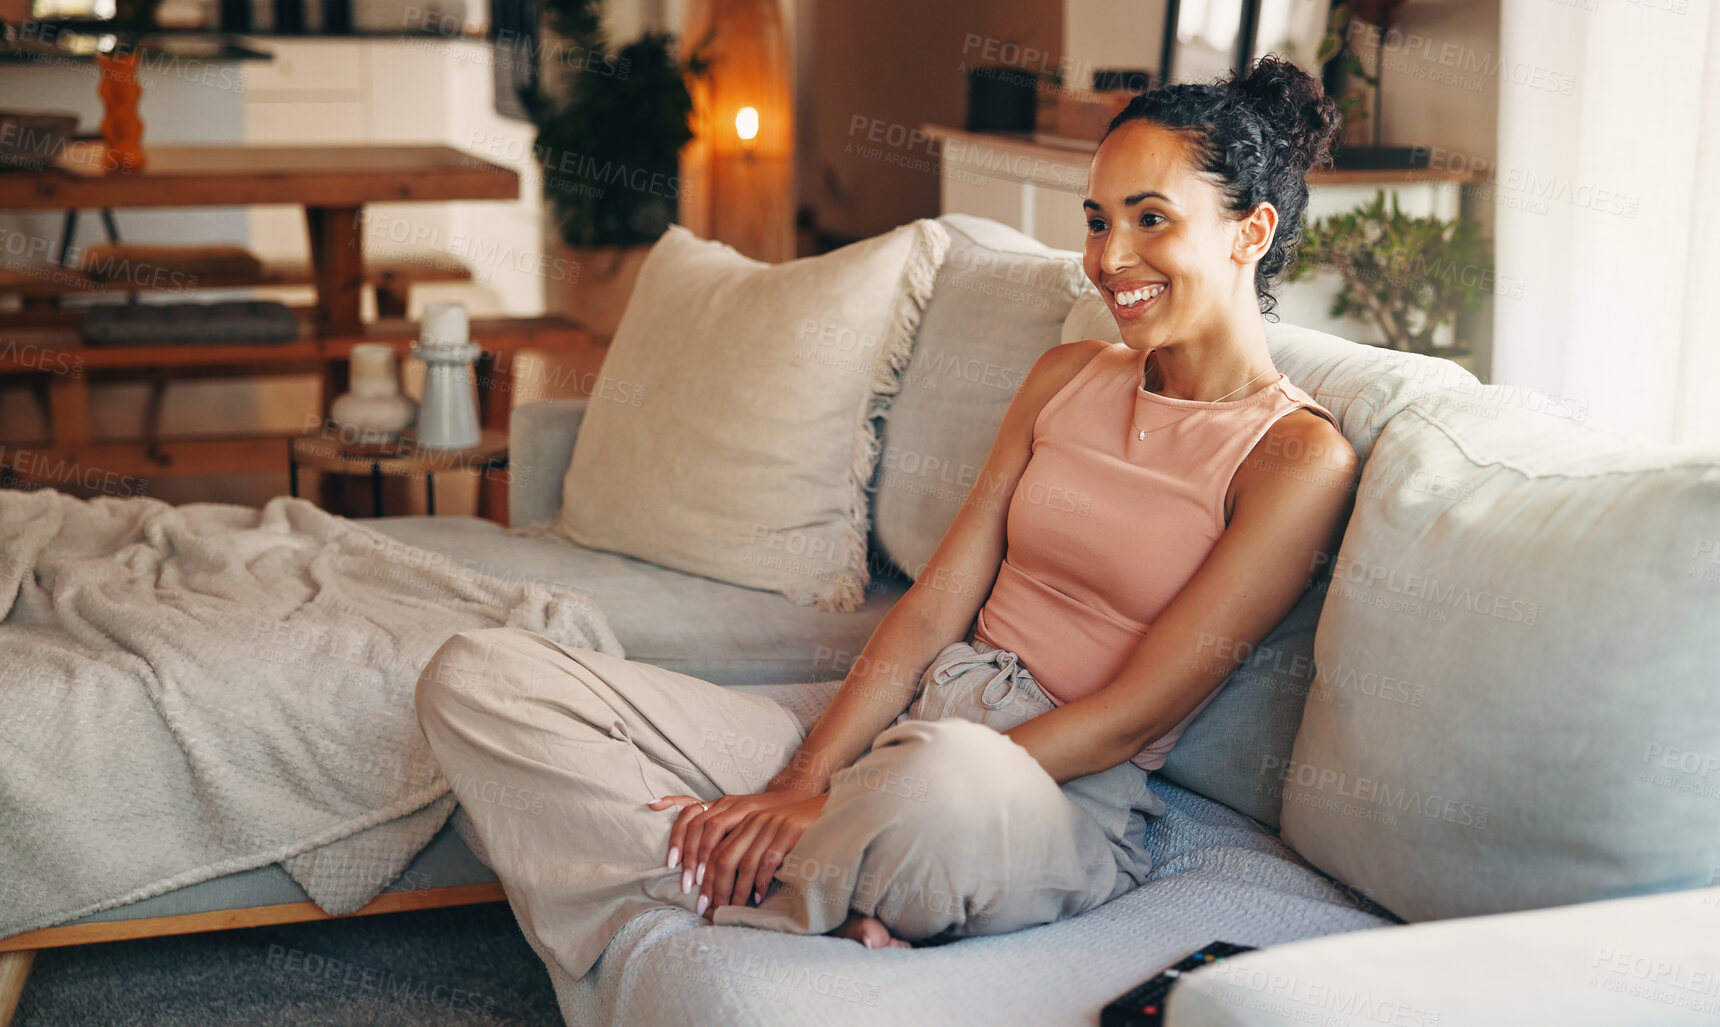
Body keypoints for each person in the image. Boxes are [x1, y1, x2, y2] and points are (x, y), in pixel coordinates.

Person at [413, 52, 1361, 982]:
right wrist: (805, 778)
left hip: (1030, 793)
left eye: (1150, 219)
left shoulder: (1294, 457)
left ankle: (715, 877)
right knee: (480, 676)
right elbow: (935, 604)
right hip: (913, 720)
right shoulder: (1066, 375)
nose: (1108, 259)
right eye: (1097, 220)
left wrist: (843, 802)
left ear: (1249, 232)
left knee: (938, 779)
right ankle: (793, 892)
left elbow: (1130, 717)